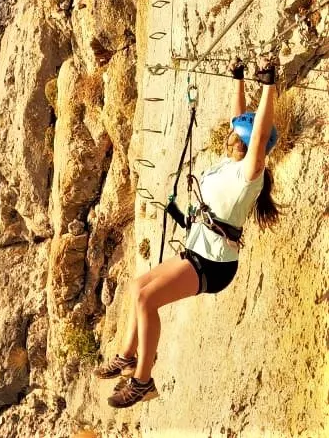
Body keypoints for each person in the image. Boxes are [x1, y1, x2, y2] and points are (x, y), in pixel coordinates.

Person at [95, 60, 280, 409]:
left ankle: (143, 383)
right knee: (137, 288)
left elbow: (256, 134)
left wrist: (269, 87)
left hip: (214, 264)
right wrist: (237, 80)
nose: (230, 134)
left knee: (149, 301)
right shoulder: (229, 162)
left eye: (237, 135)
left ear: (246, 143)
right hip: (199, 252)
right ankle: (127, 356)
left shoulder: (248, 174)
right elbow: (238, 120)